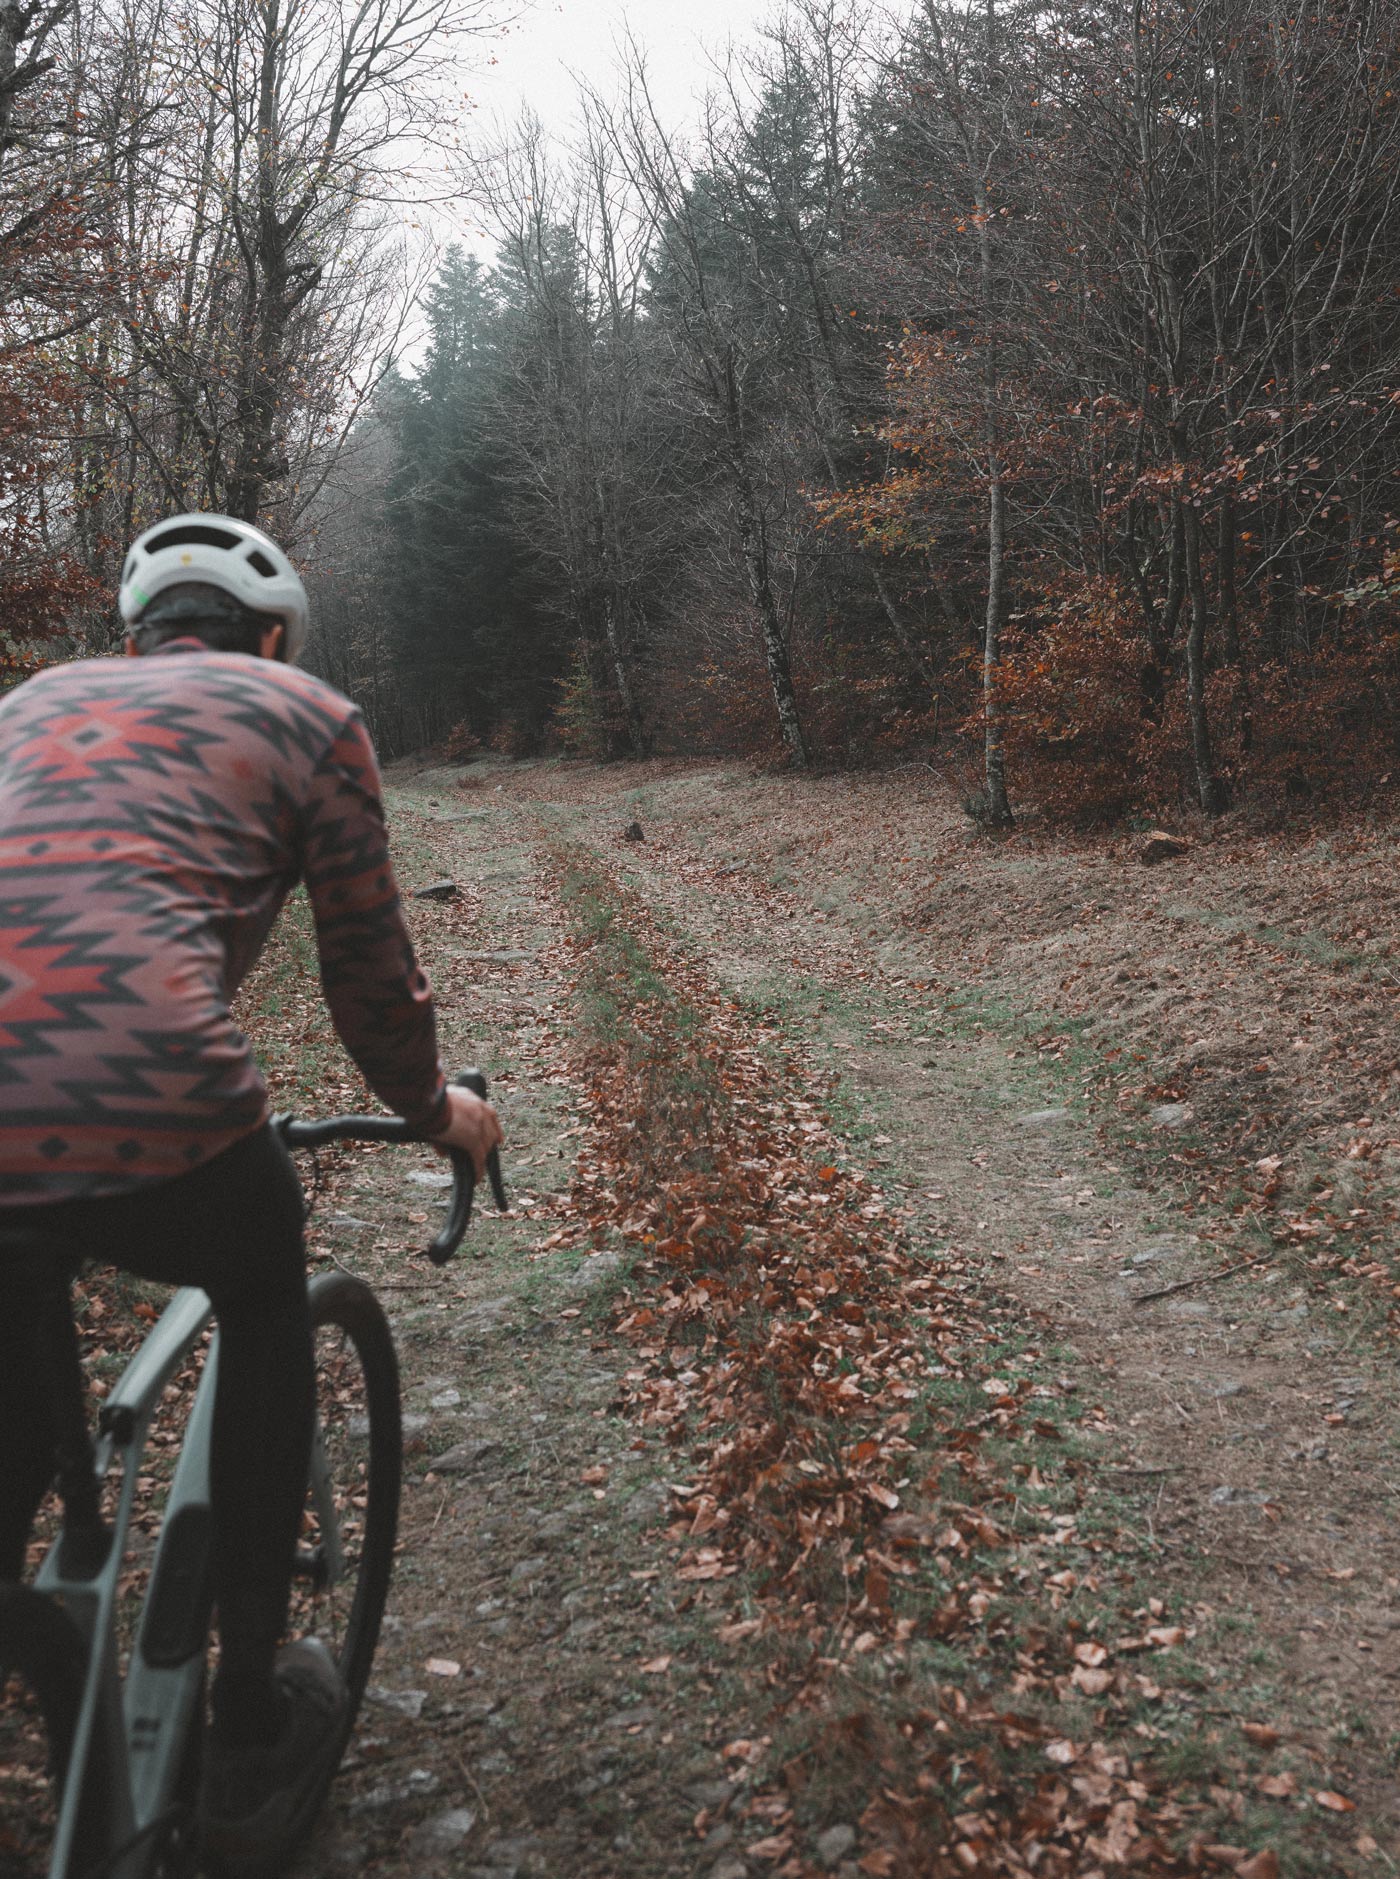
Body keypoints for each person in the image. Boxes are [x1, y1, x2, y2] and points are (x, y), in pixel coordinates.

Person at [0, 513, 502, 1872]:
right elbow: (369, 980)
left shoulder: (29, 705)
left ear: (136, 641)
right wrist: (436, 1108)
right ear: (270, 637)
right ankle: (248, 1708)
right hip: (157, 1089)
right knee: (265, 1284)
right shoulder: (304, 710)